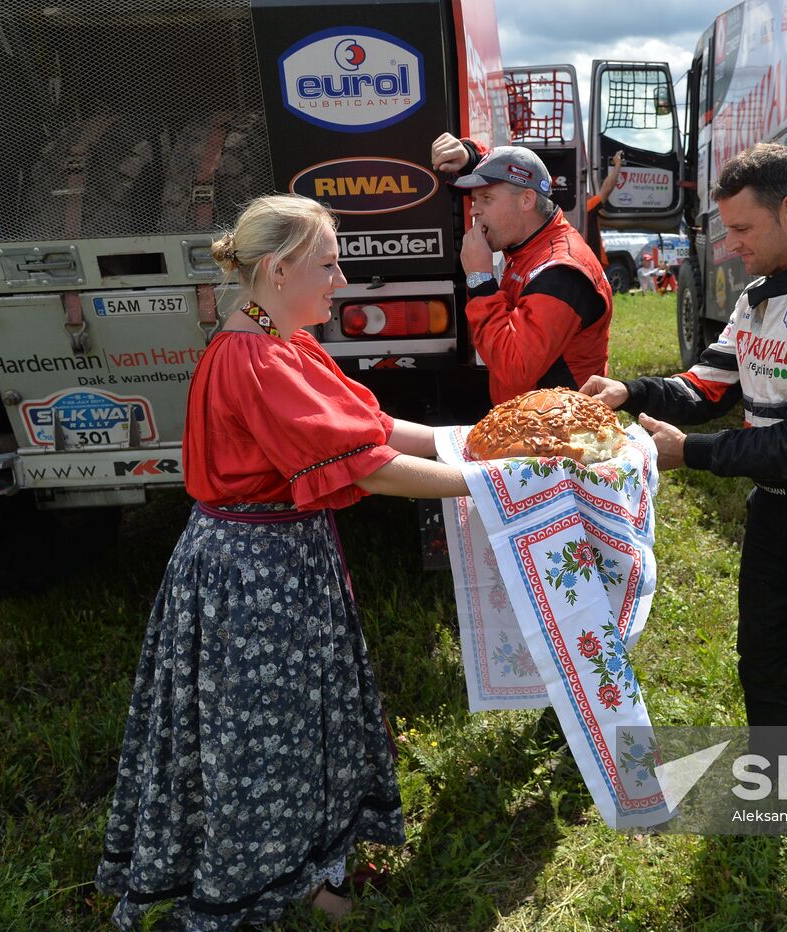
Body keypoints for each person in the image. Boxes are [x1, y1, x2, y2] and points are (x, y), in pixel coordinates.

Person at [94, 194, 470, 929]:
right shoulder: (258, 358)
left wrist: (476, 439)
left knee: (309, 725)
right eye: (328, 265)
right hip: (251, 577)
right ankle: (246, 889)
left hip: (281, 562)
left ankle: (311, 874)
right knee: (261, 744)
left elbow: (375, 426)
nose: (341, 279)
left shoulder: (280, 338)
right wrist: (493, 484)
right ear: (277, 269)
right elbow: (368, 467)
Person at [582, 143, 787, 861]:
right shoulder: (762, 292)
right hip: (779, 508)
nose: (730, 246)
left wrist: (688, 454)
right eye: (726, 230)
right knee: (761, 658)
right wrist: (630, 393)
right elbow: (708, 386)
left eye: (743, 229)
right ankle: (769, 790)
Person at [429, 134, 613, 404]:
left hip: (562, 434)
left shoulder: (561, 272)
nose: (473, 211)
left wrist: (480, 280)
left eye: (486, 198)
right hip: (532, 424)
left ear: (527, 201)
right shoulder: (527, 243)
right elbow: (512, 171)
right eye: (474, 199)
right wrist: (470, 156)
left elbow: (515, 368)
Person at [584, 150, 625, 269]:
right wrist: (618, 164)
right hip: (592, 262)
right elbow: (607, 188)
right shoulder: (587, 208)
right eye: (587, 192)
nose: (589, 194)